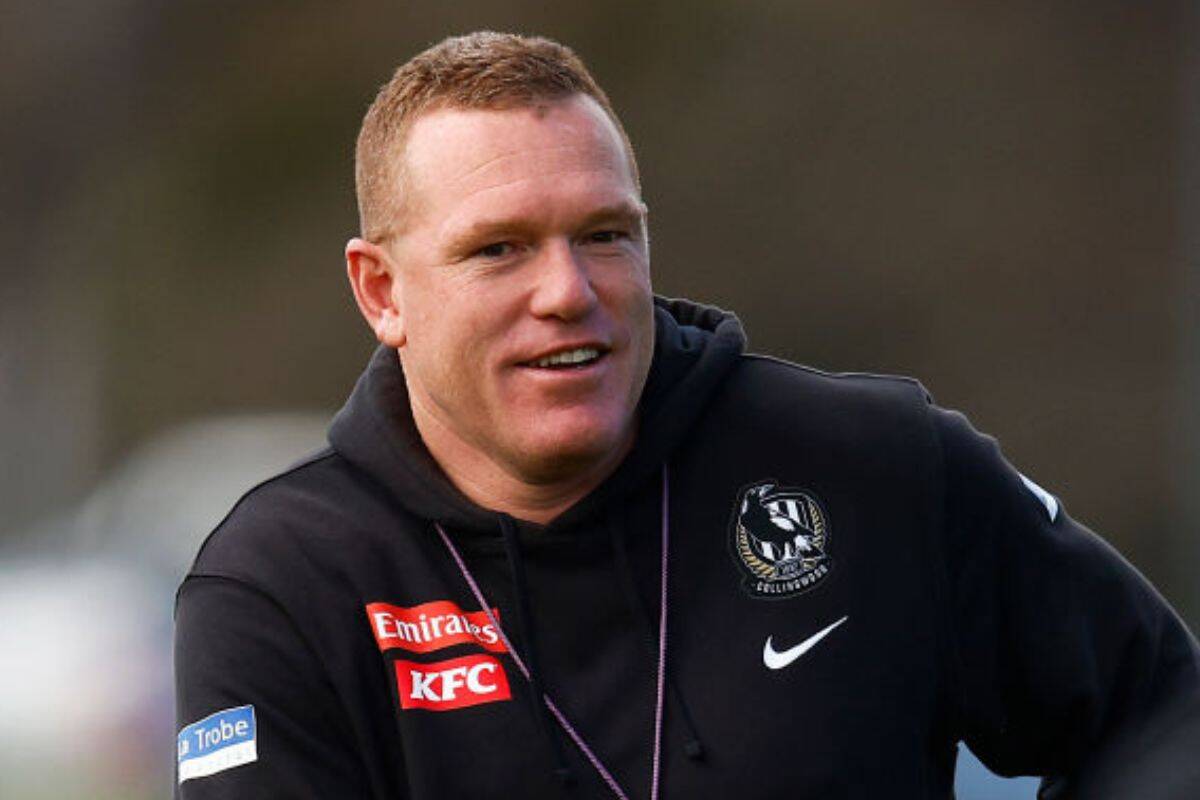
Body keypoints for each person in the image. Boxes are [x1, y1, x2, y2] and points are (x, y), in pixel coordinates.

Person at [173, 31, 1200, 799]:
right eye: (499, 249)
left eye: (605, 234)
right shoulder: (283, 585)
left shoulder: (873, 465)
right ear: (382, 291)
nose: (568, 291)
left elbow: (1165, 717)